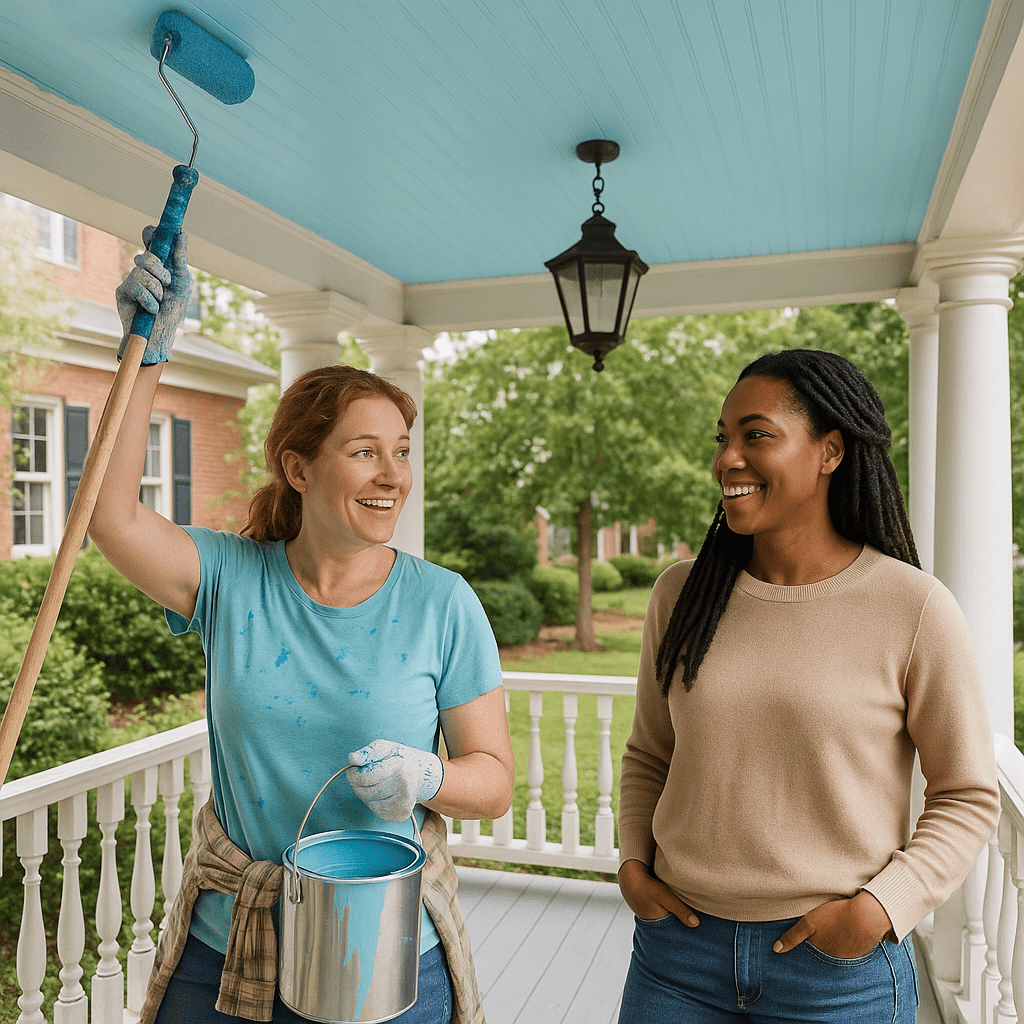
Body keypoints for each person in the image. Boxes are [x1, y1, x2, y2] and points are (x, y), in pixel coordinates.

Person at [91, 230, 514, 1024]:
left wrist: (429, 778)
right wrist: (145, 355)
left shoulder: (443, 604)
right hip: (229, 949)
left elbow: (492, 782)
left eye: (401, 451)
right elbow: (110, 517)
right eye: (365, 452)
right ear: (298, 468)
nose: (393, 476)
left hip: (383, 950)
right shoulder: (230, 579)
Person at [615, 349, 1000, 1023]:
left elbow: (966, 793)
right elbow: (651, 754)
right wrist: (632, 865)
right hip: (677, 955)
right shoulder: (681, 595)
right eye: (722, 438)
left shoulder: (913, 607)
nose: (727, 459)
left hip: (836, 972)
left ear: (830, 451)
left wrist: (880, 908)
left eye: (756, 435)